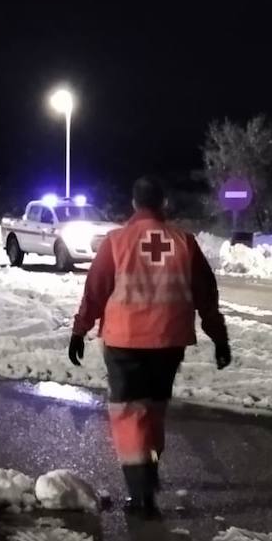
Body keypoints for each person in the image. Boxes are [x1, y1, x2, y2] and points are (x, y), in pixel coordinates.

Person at [68, 175, 231, 516]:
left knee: (129, 414)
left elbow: (95, 292)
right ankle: (149, 472)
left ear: (133, 204)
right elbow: (206, 294)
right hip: (169, 342)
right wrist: (219, 337)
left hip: (125, 342)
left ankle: (141, 493)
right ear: (163, 204)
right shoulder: (184, 242)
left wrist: (79, 330)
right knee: (153, 411)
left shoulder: (117, 241)